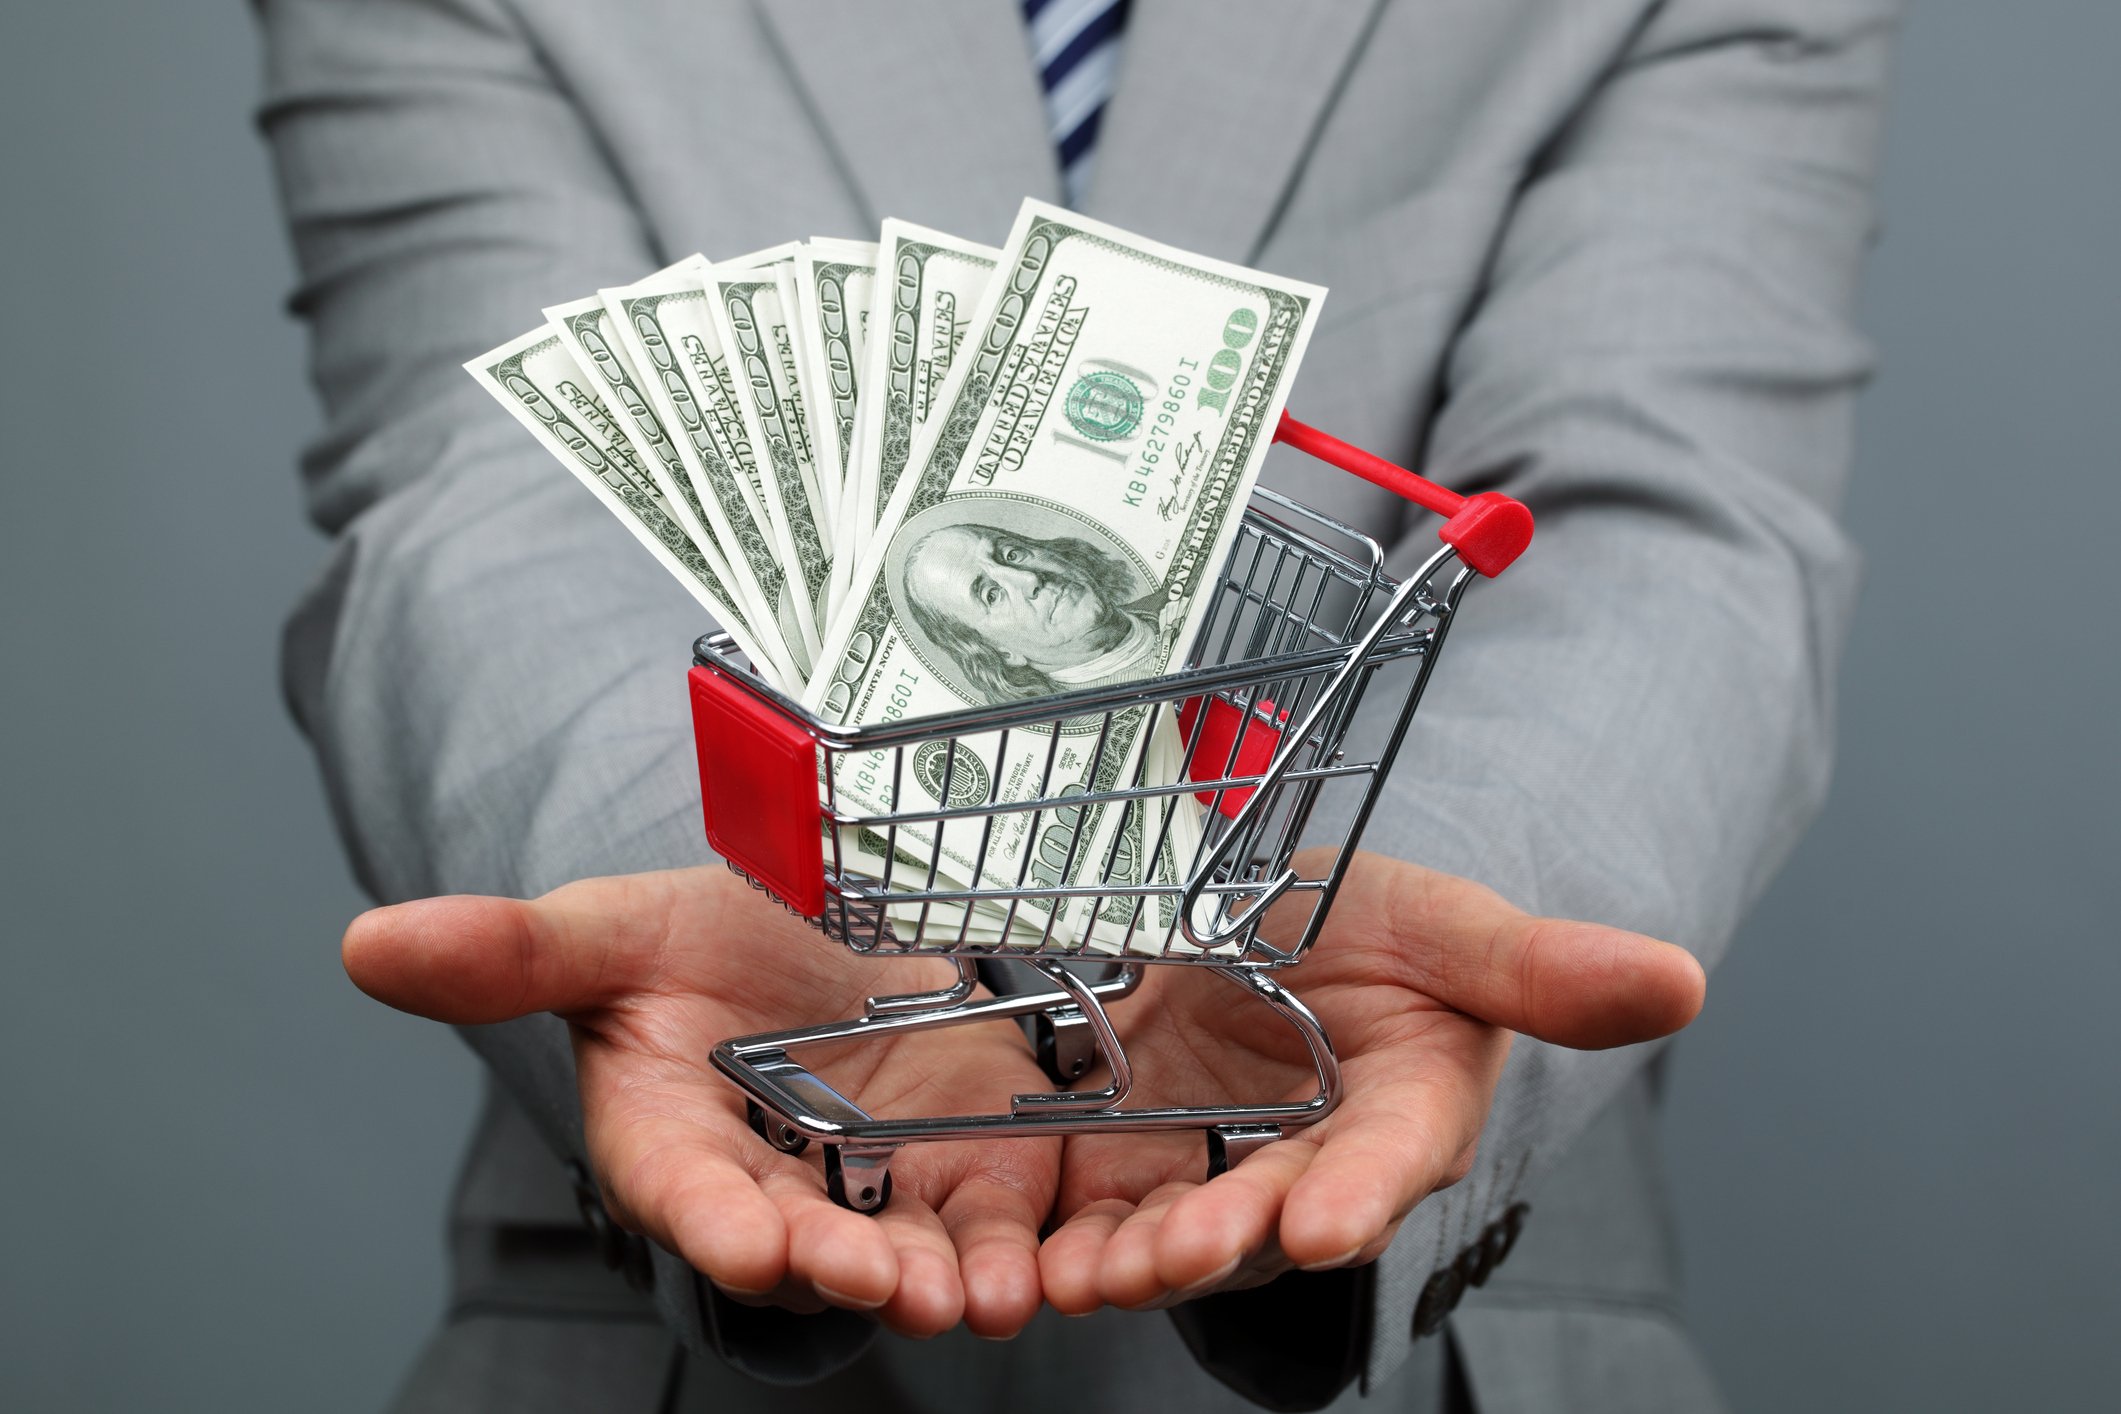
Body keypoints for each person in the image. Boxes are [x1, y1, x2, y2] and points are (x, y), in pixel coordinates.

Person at [258, 1, 1897, 1409]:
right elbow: (485, 501)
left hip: (1445, 1349)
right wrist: (712, 868)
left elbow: (1664, 510)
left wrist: (1432, 896)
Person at [901, 521, 1167, 701]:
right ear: (1000, 651)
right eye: (992, 595)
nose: (1030, 578)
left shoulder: (1179, 596)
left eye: (1012, 554)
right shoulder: (1084, 729)